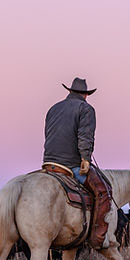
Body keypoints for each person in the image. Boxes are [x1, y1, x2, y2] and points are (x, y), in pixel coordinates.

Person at [42, 77, 113, 249]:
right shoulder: (86, 108)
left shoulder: (53, 108)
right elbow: (85, 136)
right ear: (85, 94)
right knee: (103, 191)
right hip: (70, 164)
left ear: (70, 91)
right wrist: (85, 159)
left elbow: (48, 134)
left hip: (48, 163)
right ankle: (97, 239)